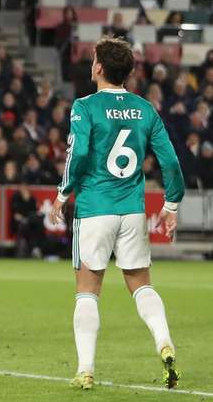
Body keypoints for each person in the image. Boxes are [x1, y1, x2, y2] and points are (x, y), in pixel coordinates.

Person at [51, 36, 184, 390]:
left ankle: (85, 370)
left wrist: (63, 193)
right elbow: (170, 161)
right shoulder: (145, 109)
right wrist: (171, 204)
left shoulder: (85, 106)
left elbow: (78, 154)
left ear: (98, 67)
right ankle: (164, 341)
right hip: (132, 211)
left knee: (87, 290)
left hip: (95, 209)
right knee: (141, 286)